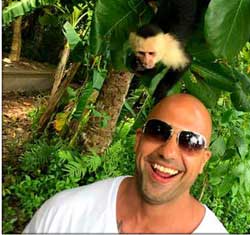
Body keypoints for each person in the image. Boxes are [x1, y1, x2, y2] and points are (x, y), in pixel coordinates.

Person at [23, 94, 228, 233]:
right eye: (158, 131)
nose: (168, 152)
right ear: (138, 140)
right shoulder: (63, 215)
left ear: (203, 161)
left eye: (191, 142)